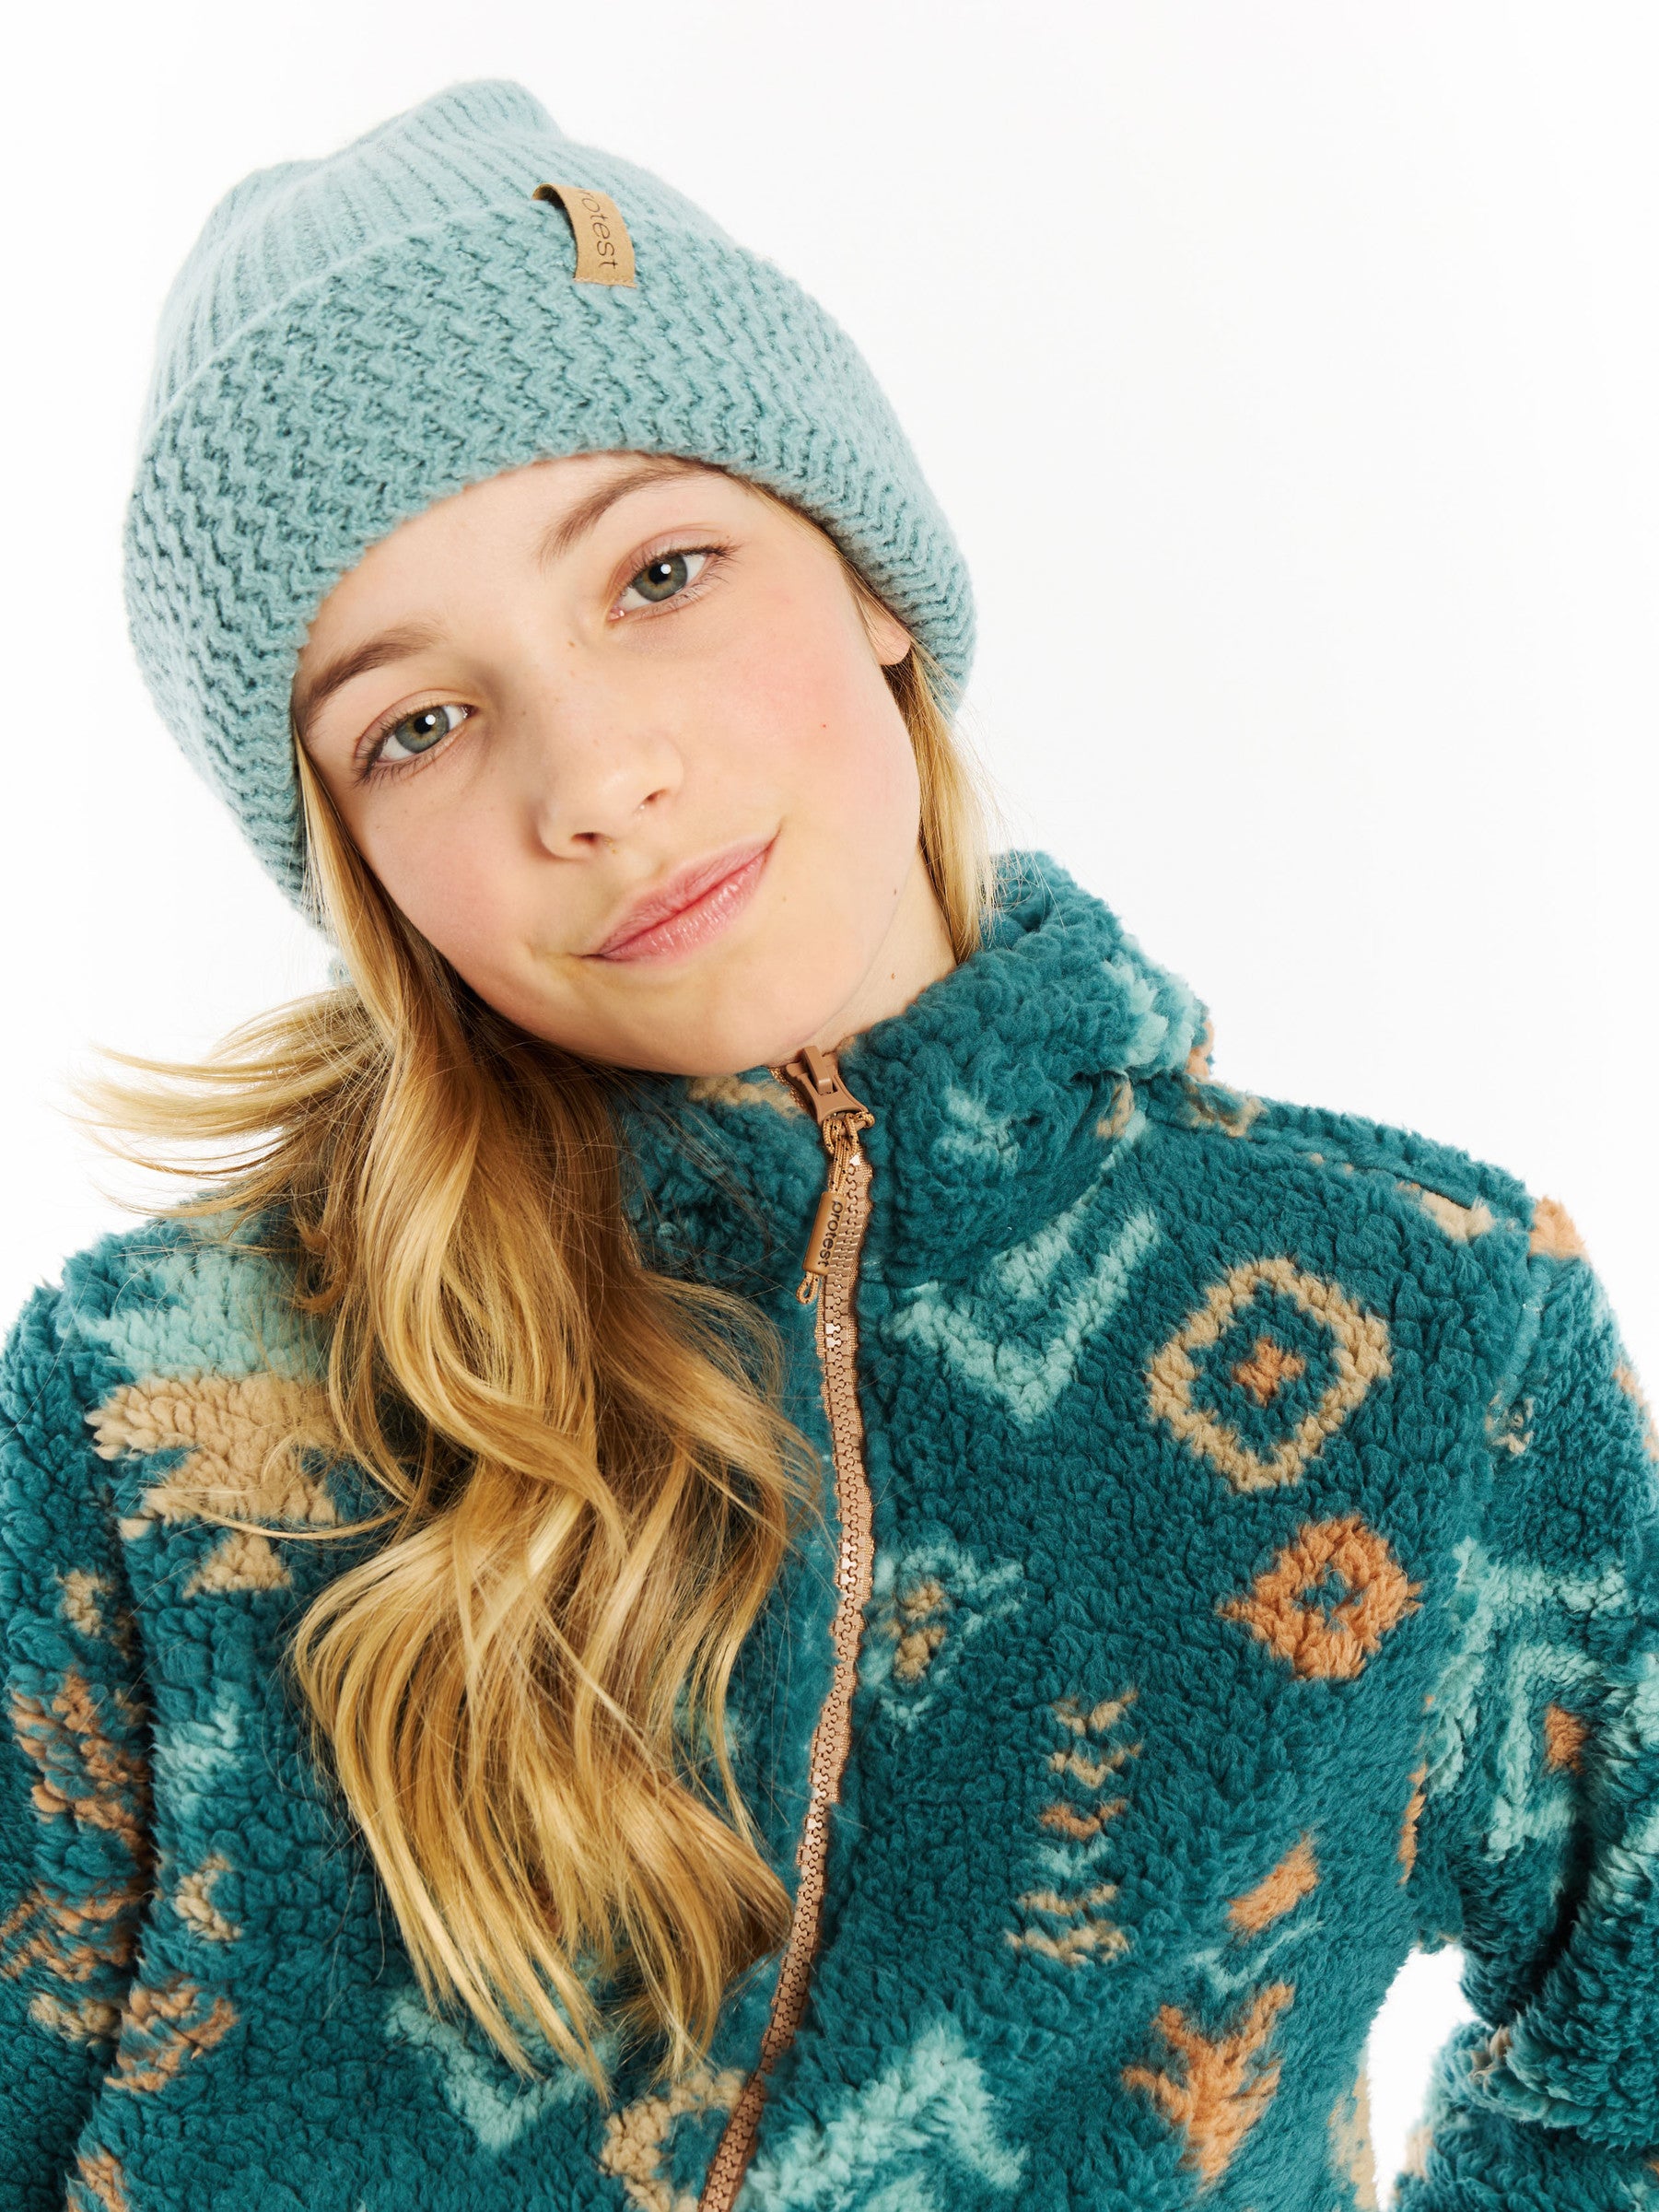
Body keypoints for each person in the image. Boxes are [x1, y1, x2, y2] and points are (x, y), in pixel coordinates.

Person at [3, 76, 1655, 2212]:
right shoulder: (156, 1410)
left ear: (866, 573)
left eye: (659, 573)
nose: (595, 777)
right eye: (416, 723)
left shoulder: (1433, 1326)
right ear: (356, 863)